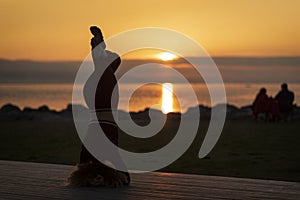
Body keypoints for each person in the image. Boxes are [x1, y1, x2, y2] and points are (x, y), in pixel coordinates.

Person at [67, 26, 130, 187]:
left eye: (93, 179)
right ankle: (99, 50)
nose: (96, 180)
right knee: (106, 67)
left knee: (104, 68)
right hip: (103, 107)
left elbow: (82, 164)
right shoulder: (109, 154)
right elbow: (126, 177)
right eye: (99, 179)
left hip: (96, 107)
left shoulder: (88, 155)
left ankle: (99, 49)